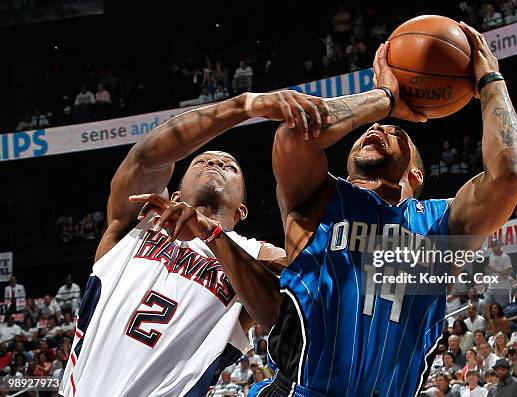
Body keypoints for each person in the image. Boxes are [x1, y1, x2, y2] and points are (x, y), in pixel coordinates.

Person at [249, 21, 517, 397]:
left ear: (415, 172)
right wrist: (384, 98)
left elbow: (508, 174)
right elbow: (295, 132)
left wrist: (491, 81)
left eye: (397, 132)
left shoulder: (440, 226)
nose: (378, 126)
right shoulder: (320, 198)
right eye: (370, 128)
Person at [58, 89, 326, 396]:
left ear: (242, 211)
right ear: (174, 196)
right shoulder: (134, 226)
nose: (216, 161)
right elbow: (146, 156)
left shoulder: (256, 255)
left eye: (231, 167)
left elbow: (310, 283)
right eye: (203, 160)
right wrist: (244, 106)